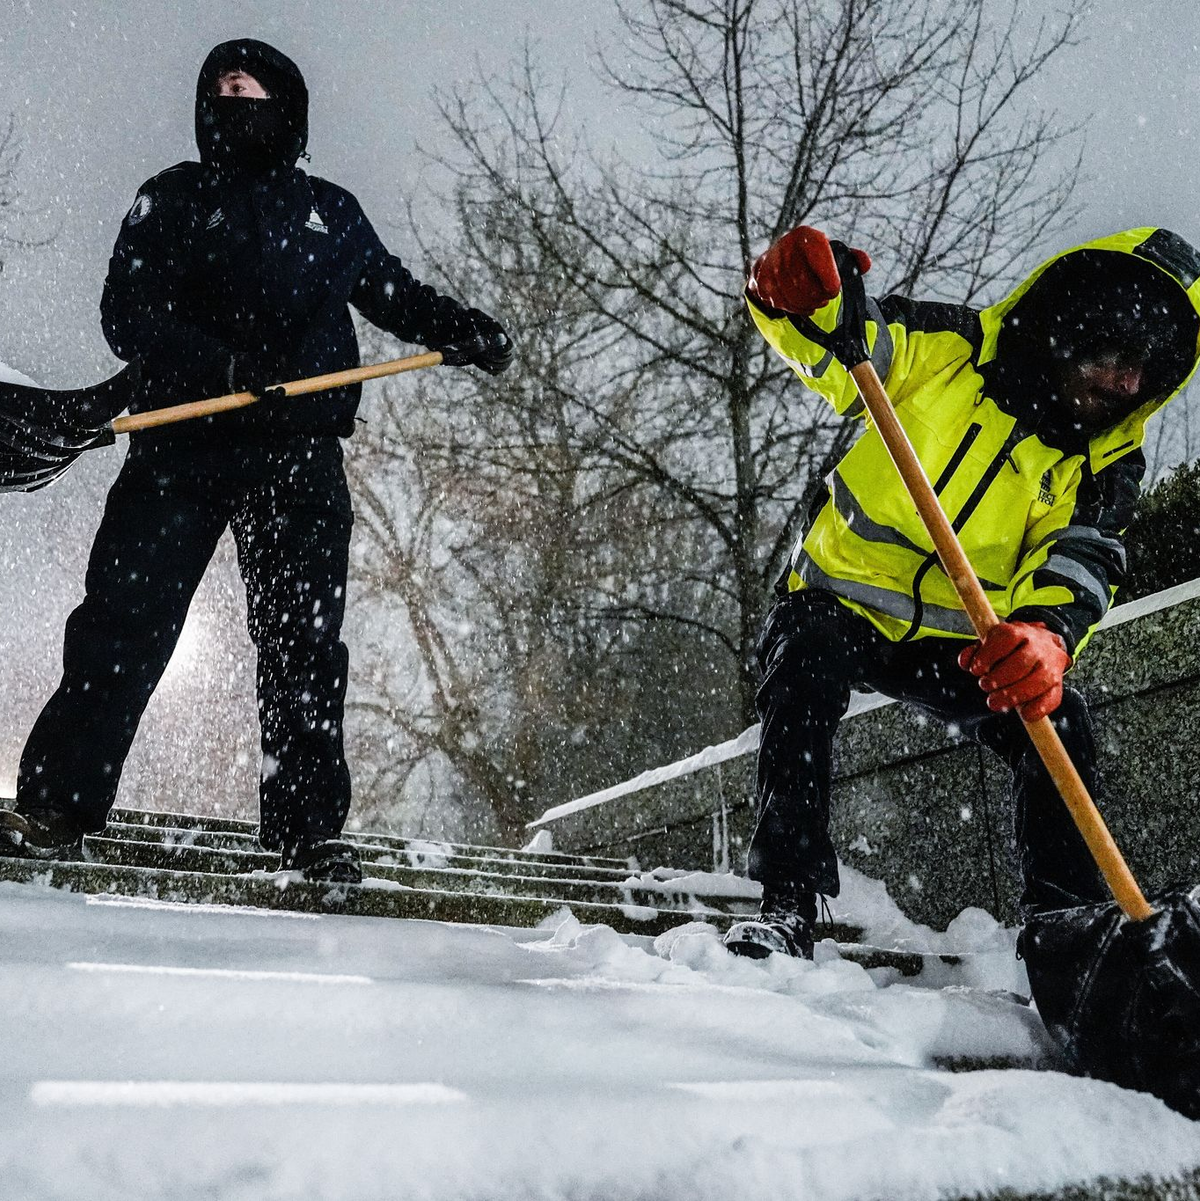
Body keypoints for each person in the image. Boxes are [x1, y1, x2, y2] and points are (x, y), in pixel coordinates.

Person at [2, 39, 512, 882]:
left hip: (297, 455)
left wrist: (458, 328)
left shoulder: (330, 212)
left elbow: (392, 291)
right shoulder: (170, 197)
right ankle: (57, 807)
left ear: (288, 107)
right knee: (121, 626)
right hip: (179, 441)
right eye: (219, 89)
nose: (232, 97)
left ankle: (307, 833)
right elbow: (126, 313)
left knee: (305, 646)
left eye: (250, 86)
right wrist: (222, 366)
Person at [723, 224, 1200, 959]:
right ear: (1073, 330)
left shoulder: (1104, 465)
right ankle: (788, 898)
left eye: (1145, 373)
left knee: (1059, 724)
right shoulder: (948, 348)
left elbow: (1083, 559)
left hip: (967, 645)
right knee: (803, 662)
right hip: (839, 602)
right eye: (1114, 357)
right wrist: (795, 297)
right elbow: (843, 342)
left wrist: (1045, 636)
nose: (1125, 385)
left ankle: (1065, 935)